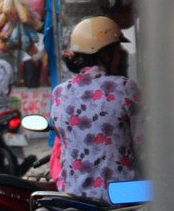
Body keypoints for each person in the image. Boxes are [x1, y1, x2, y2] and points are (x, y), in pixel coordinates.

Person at [50, 16, 142, 201]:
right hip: (121, 197)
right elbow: (143, 146)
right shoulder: (125, 88)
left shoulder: (59, 93)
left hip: (72, 196)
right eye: (118, 50)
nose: (122, 54)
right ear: (105, 54)